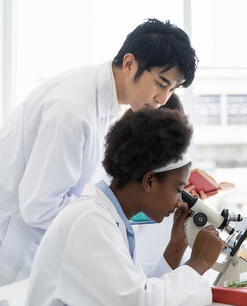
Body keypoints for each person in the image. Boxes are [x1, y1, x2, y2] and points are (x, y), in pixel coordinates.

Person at [0, 18, 198, 285]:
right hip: (13, 258)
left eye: (171, 89)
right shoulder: (73, 110)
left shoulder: (101, 104)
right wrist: (110, 220)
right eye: (161, 83)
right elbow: (39, 206)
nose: (163, 99)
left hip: (33, 254)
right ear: (129, 64)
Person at [26, 108, 225, 305]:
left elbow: (141, 288)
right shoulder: (90, 221)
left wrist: (176, 245)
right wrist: (200, 262)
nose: (179, 202)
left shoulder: (109, 218)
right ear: (149, 181)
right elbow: (138, 302)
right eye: (178, 189)